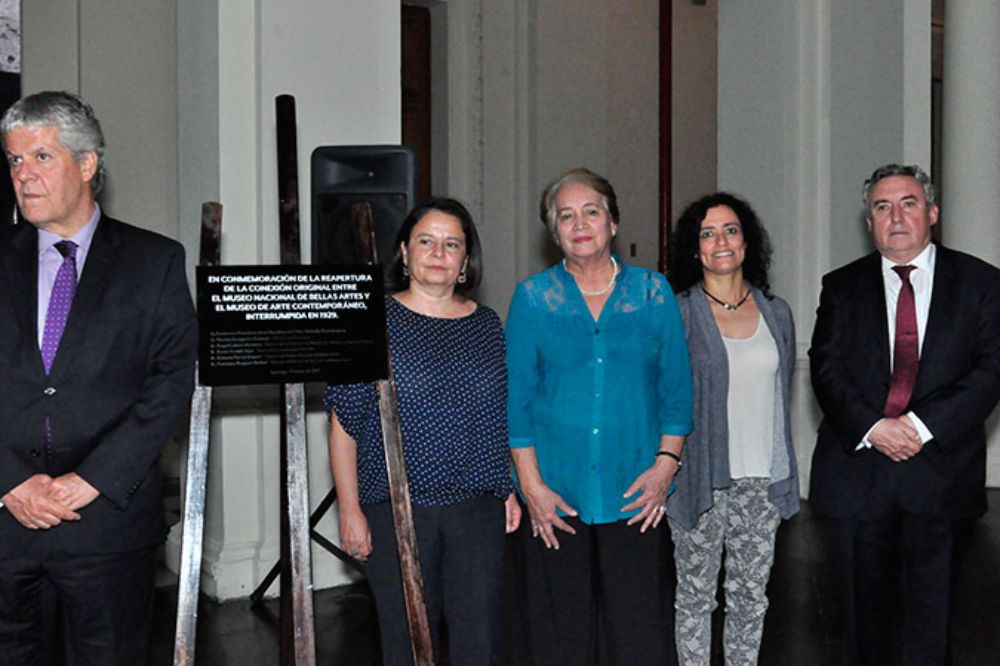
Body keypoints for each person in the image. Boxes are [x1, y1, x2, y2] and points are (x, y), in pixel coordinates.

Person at [0, 91, 197, 664]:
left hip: (106, 525)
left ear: (87, 165)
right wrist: (12, 481)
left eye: (41, 158)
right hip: (7, 523)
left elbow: (170, 383)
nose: (24, 176)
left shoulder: (153, 261)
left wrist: (92, 478)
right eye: (14, 161)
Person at [809, 163, 1000, 665]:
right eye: (882, 206)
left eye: (908, 203)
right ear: (869, 221)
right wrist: (875, 428)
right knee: (860, 625)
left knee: (931, 624)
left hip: (941, 475)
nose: (896, 216)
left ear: (932, 213)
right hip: (858, 475)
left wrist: (917, 427)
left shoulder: (982, 283)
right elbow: (826, 369)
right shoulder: (841, 286)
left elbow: (991, 369)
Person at [506, 167, 693, 665]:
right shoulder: (531, 299)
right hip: (555, 496)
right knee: (559, 634)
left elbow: (677, 394)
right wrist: (532, 488)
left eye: (591, 211)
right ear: (554, 232)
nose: (579, 223)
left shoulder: (653, 294)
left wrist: (664, 469)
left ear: (613, 223)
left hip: (636, 492)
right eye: (565, 215)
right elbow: (517, 402)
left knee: (637, 633)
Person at [325, 197, 520, 666]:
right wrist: (349, 510)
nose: (438, 252)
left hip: (476, 509)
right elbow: (343, 423)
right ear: (404, 253)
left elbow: (497, 414)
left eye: (452, 244)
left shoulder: (487, 324)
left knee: (480, 640)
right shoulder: (371, 320)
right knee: (409, 643)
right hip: (394, 509)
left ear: (465, 260)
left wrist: (508, 488)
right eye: (426, 241)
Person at [667, 193, 799, 665]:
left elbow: (779, 395)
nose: (720, 240)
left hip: (761, 482)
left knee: (750, 600)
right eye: (707, 233)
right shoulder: (678, 313)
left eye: (730, 230)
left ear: (746, 242)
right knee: (697, 598)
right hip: (699, 478)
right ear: (695, 248)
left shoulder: (776, 312)